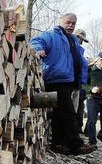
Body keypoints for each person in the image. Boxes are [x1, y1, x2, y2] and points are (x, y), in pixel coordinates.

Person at [30, 13, 96, 155]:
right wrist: (37, 48)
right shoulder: (52, 36)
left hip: (69, 81)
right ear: (61, 22)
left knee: (59, 114)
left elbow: (78, 61)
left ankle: (59, 144)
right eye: (68, 22)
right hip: (56, 79)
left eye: (73, 23)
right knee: (68, 113)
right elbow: (35, 41)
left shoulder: (73, 40)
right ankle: (76, 145)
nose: (71, 25)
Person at [74, 29, 90, 134]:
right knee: (74, 111)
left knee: (80, 110)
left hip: (82, 87)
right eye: (80, 39)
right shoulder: (72, 51)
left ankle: (78, 131)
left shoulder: (81, 54)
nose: (81, 42)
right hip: (74, 86)